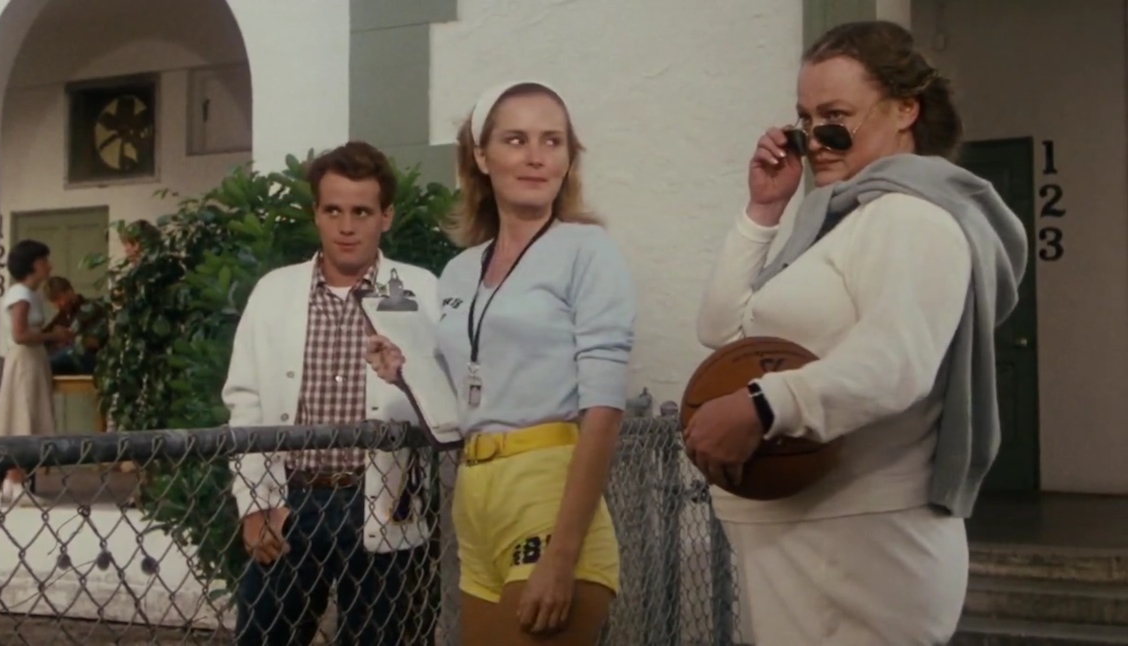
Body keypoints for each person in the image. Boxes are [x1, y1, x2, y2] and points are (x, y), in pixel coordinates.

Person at [685, 20, 1028, 646]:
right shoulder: (841, 222)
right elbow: (723, 330)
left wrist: (761, 405)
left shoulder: (912, 218)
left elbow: (895, 362)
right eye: (805, 120)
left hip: (862, 549)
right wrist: (764, 210)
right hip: (810, 542)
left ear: (905, 109)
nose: (816, 140)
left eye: (836, 117)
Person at [367, 80, 637, 645]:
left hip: (547, 486)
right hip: (474, 497)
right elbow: (467, 394)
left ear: (568, 158)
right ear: (482, 157)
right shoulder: (460, 270)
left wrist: (561, 556)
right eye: (516, 140)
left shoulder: (587, 250)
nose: (536, 156)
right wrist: (406, 371)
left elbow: (604, 411)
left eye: (552, 141)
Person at [224, 141, 439, 646]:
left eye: (361, 212)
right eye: (333, 210)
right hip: (290, 502)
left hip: (384, 503)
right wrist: (253, 504)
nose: (346, 226)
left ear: (386, 216)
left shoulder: (420, 290)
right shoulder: (274, 292)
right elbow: (245, 401)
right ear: (315, 214)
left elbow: (442, 399)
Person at [0, 240, 73, 507]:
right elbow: (20, 334)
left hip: (34, 360)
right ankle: (14, 480)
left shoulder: (30, 294)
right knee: (23, 415)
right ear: (33, 265)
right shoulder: (21, 295)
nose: (49, 266)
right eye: (44, 261)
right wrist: (53, 335)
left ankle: (15, 481)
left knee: (31, 415)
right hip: (25, 361)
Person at [42, 276, 106, 375]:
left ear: (69, 291)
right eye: (54, 302)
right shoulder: (62, 317)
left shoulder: (93, 309)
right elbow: (45, 338)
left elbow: (98, 341)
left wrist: (71, 338)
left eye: (59, 298)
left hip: (92, 361)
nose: (58, 304)